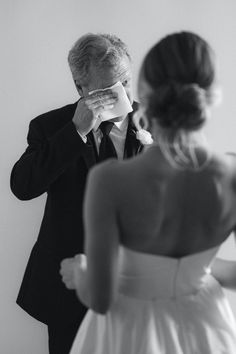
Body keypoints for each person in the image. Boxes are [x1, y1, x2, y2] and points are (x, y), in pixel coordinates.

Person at [61, 31, 236, 353]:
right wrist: (193, 272)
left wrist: (81, 274)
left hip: (129, 331)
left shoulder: (109, 180)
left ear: (144, 92)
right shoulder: (232, 175)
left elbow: (100, 299)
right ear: (212, 93)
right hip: (207, 329)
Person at [10, 33, 143, 354]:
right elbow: (23, 186)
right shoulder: (50, 127)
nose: (122, 95)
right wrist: (76, 132)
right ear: (81, 88)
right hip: (69, 291)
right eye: (107, 90)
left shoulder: (158, 123)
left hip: (139, 286)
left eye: (124, 82)